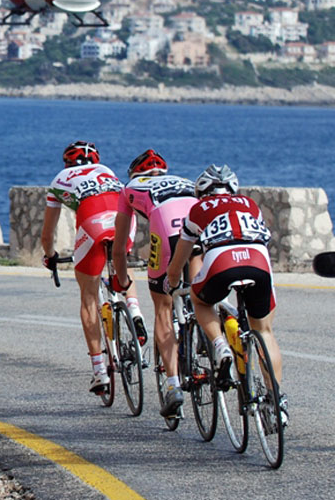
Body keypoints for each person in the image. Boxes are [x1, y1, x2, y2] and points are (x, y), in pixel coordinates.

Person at [164, 164, 286, 424]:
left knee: (200, 300)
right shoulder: (249, 204)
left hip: (221, 260)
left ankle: (221, 348)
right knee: (264, 331)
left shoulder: (197, 209)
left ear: (201, 191)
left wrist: (172, 281)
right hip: (258, 260)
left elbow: (181, 257)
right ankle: (277, 402)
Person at [40, 141, 146, 395]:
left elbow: (47, 234)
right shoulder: (107, 170)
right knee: (122, 258)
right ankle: (135, 313)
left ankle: (99, 371)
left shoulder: (60, 179)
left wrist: (50, 256)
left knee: (88, 297)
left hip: (92, 222)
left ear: (67, 163)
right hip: (124, 219)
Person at [112, 149, 198, 417]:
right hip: (198, 231)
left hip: (167, 230)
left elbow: (119, 247)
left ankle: (173, 386)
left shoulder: (130, 189)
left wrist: (123, 279)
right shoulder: (185, 182)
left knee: (163, 306)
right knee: (199, 296)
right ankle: (212, 341)